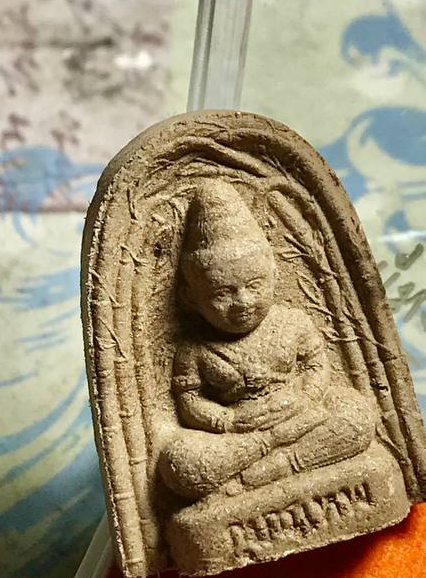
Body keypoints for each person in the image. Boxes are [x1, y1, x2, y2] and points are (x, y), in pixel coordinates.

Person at [159, 179, 375, 502]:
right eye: (222, 293)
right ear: (191, 298)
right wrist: (227, 421)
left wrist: (306, 396)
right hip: (242, 434)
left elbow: (316, 364)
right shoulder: (195, 350)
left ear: (274, 274)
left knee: (356, 415)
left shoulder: (292, 322)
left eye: (254, 286)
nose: (242, 302)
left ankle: (278, 468)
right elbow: (189, 400)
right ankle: (267, 461)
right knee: (181, 462)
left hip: (301, 416)